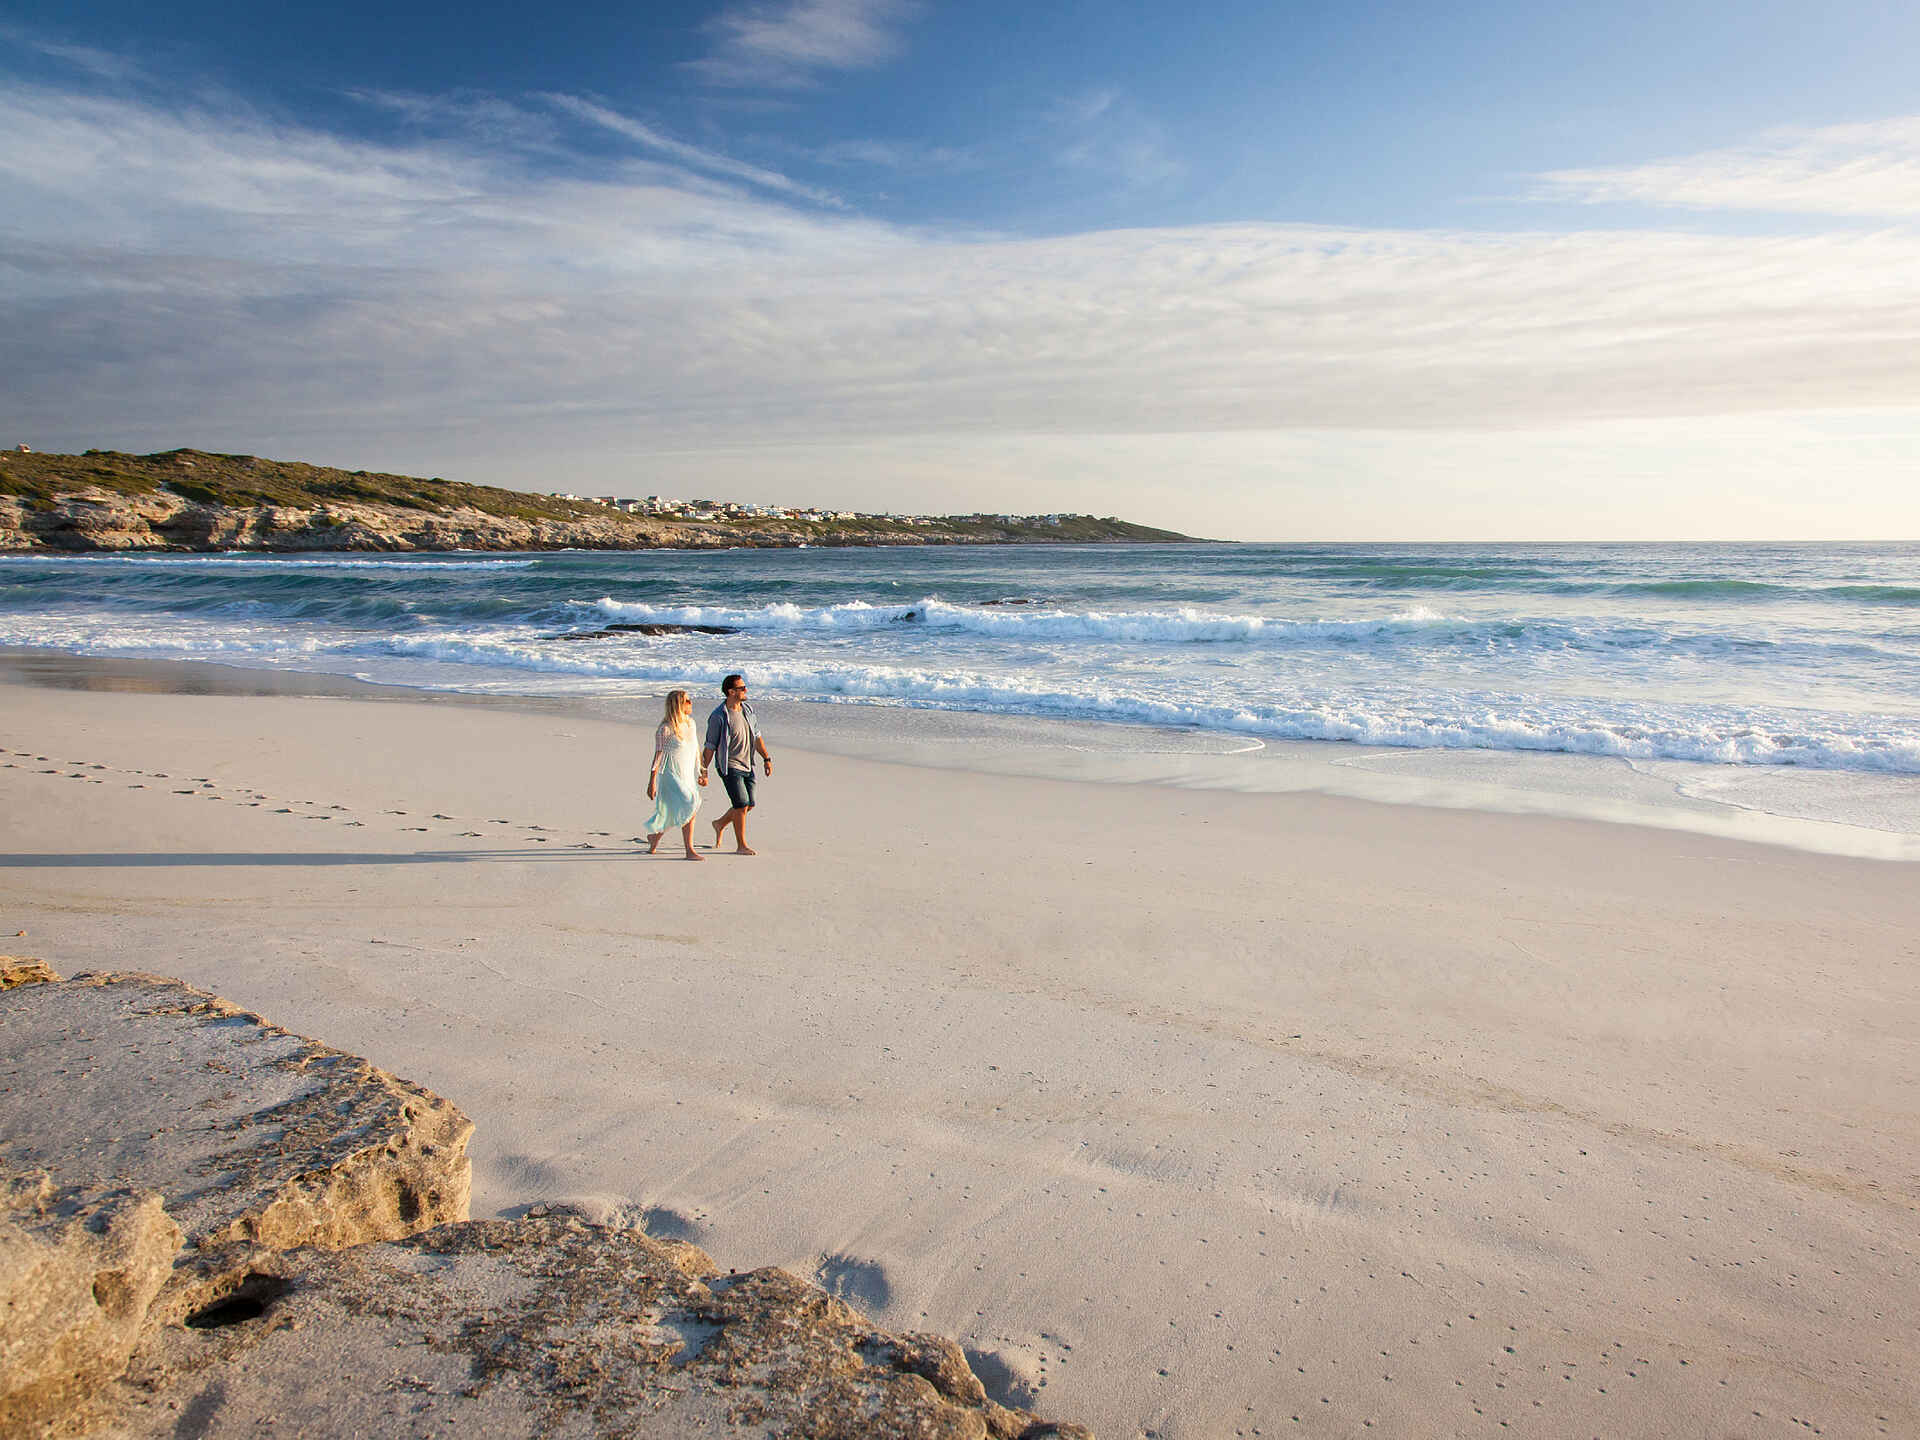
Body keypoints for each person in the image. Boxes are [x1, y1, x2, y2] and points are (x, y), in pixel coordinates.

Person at [701, 673, 772, 855]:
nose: (745, 690)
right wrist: (703, 770)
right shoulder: (719, 716)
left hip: (747, 763)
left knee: (749, 804)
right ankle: (741, 845)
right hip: (729, 765)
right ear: (731, 692)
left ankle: (719, 824)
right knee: (740, 804)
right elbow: (710, 745)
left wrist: (766, 758)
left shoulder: (747, 710)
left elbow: (757, 737)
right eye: (742, 688)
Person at [644, 689, 707, 859]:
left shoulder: (691, 724)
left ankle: (654, 837)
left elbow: (695, 750)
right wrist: (652, 782)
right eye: (687, 700)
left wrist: (702, 771)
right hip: (670, 774)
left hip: (688, 774)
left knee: (681, 810)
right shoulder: (665, 729)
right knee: (690, 802)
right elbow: (657, 757)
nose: (691, 703)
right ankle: (689, 850)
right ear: (678, 705)